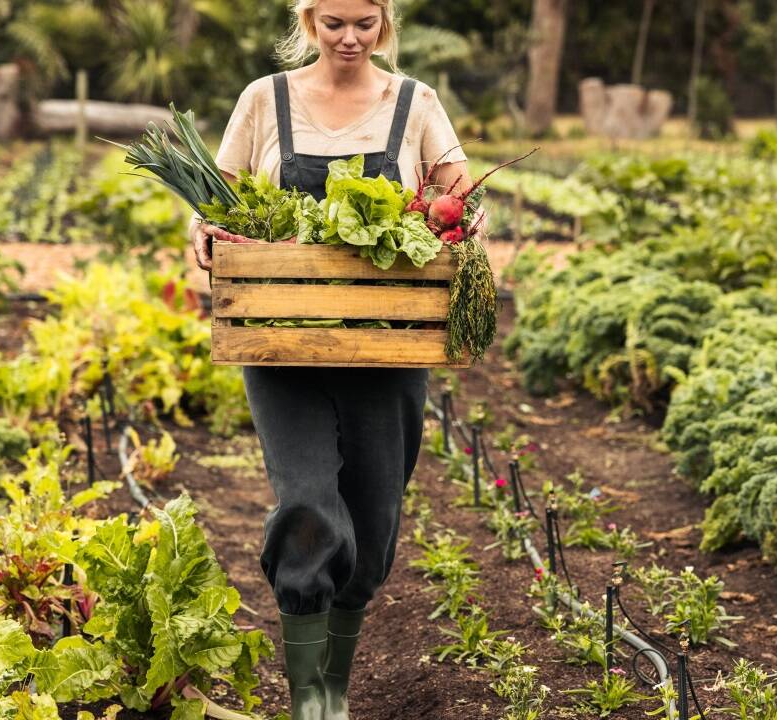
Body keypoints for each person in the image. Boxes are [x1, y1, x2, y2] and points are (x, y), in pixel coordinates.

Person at [187, 1, 472, 718]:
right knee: (309, 504)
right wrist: (204, 232)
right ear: (309, 22)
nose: (349, 38)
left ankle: (337, 682)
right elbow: (214, 202)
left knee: (373, 525)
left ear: (385, 25)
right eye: (334, 23)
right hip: (284, 345)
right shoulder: (264, 100)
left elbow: (458, 192)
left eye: (364, 24)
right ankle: (308, 698)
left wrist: (460, 218)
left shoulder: (414, 102)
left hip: (389, 346)